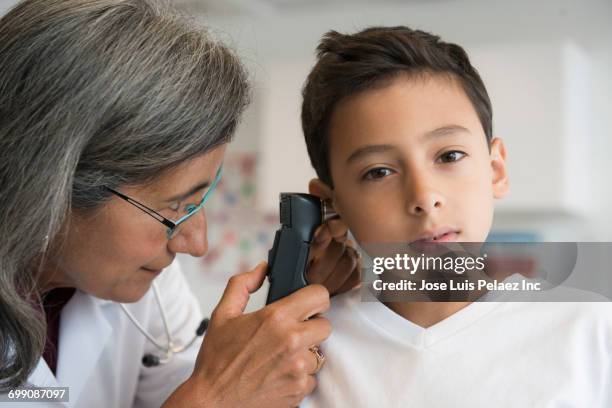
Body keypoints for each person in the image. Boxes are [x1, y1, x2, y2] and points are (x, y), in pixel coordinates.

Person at [0, 0, 360, 407]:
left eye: (199, 200)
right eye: (173, 207)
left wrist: (279, 323)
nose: (195, 242)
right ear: (47, 185)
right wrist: (213, 396)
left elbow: (187, 383)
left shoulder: (142, 284)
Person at [298, 26, 612, 407]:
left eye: (449, 156)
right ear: (333, 206)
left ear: (496, 170)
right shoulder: (303, 353)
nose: (425, 197)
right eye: (379, 172)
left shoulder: (591, 329)